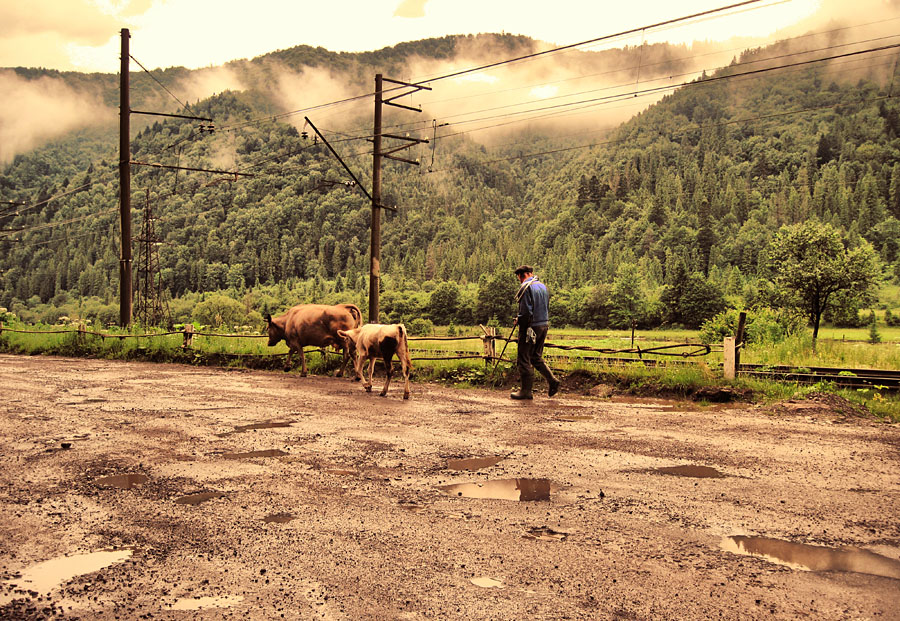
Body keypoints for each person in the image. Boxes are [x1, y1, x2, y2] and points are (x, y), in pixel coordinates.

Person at [510, 265, 560, 400]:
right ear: (531, 273)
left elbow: (525, 312)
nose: (519, 281)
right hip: (543, 324)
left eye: (519, 278)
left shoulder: (525, 287)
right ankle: (552, 380)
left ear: (522, 275)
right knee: (536, 357)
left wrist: (520, 321)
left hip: (530, 328)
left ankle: (526, 391)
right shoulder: (542, 287)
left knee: (524, 358)